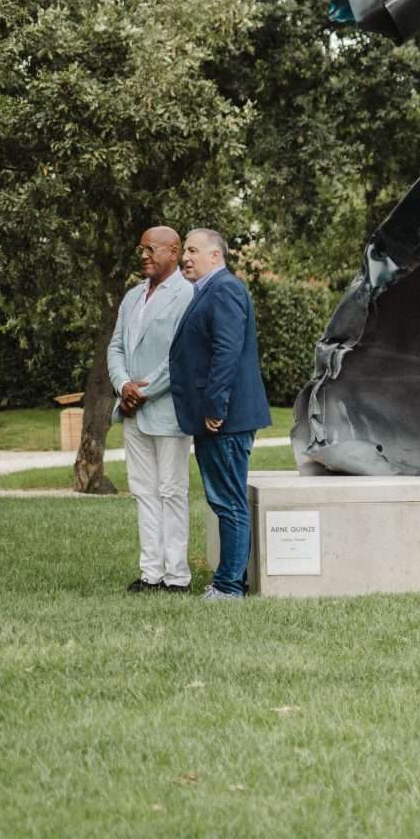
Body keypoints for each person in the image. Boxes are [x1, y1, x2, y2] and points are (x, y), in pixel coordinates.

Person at [164, 227, 271, 601]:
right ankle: (230, 581)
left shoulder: (224, 288)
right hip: (218, 417)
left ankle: (228, 587)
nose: (185, 257)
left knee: (229, 502)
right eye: (185, 251)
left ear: (216, 255)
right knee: (224, 500)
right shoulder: (208, 290)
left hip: (225, 418)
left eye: (193, 250)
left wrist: (215, 407)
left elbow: (227, 351)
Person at [108, 226, 195, 593]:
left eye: (150, 249)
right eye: (140, 249)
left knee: (172, 491)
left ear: (173, 251)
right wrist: (123, 385)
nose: (143, 255)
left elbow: (182, 356)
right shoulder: (132, 297)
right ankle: (151, 574)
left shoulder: (187, 294)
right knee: (143, 491)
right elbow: (116, 347)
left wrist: (143, 391)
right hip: (132, 411)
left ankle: (177, 577)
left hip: (168, 410)